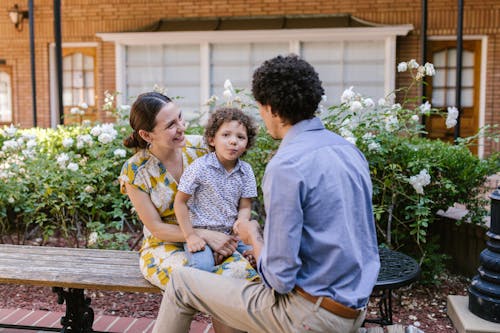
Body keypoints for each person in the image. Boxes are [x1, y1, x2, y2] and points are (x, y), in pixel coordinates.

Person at [152, 54, 380, 333]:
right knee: (233, 288)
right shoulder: (349, 151)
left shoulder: (287, 165)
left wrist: (252, 236)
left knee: (181, 282)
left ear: (271, 108)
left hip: (307, 314)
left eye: (260, 108)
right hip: (354, 308)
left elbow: (279, 278)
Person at [118, 92, 258, 333]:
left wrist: (231, 229)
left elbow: (236, 183)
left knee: (239, 275)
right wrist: (201, 235)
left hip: (215, 236)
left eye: (180, 118)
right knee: (206, 280)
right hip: (165, 245)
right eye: (171, 125)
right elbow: (157, 228)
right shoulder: (135, 171)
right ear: (146, 134)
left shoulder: (201, 148)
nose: (182, 127)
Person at [175, 107, 258, 272]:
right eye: (226, 135)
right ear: (212, 140)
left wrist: (240, 228)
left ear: (247, 144)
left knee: (259, 259)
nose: (233, 141)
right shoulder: (200, 167)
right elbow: (180, 202)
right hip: (201, 235)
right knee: (203, 267)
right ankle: (193, 295)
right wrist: (190, 235)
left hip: (231, 235)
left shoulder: (246, 171)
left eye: (240, 137)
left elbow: (245, 206)